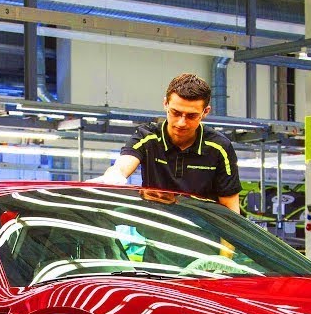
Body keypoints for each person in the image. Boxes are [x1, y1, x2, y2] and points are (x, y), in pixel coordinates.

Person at [90, 73, 243, 213]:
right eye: (176, 113)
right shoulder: (147, 138)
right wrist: (113, 176)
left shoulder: (220, 148)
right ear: (165, 104)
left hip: (202, 238)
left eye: (191, 116)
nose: (182, 122)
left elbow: (230, 209)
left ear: (205, 112)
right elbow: (122, 166)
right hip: (157, 235)